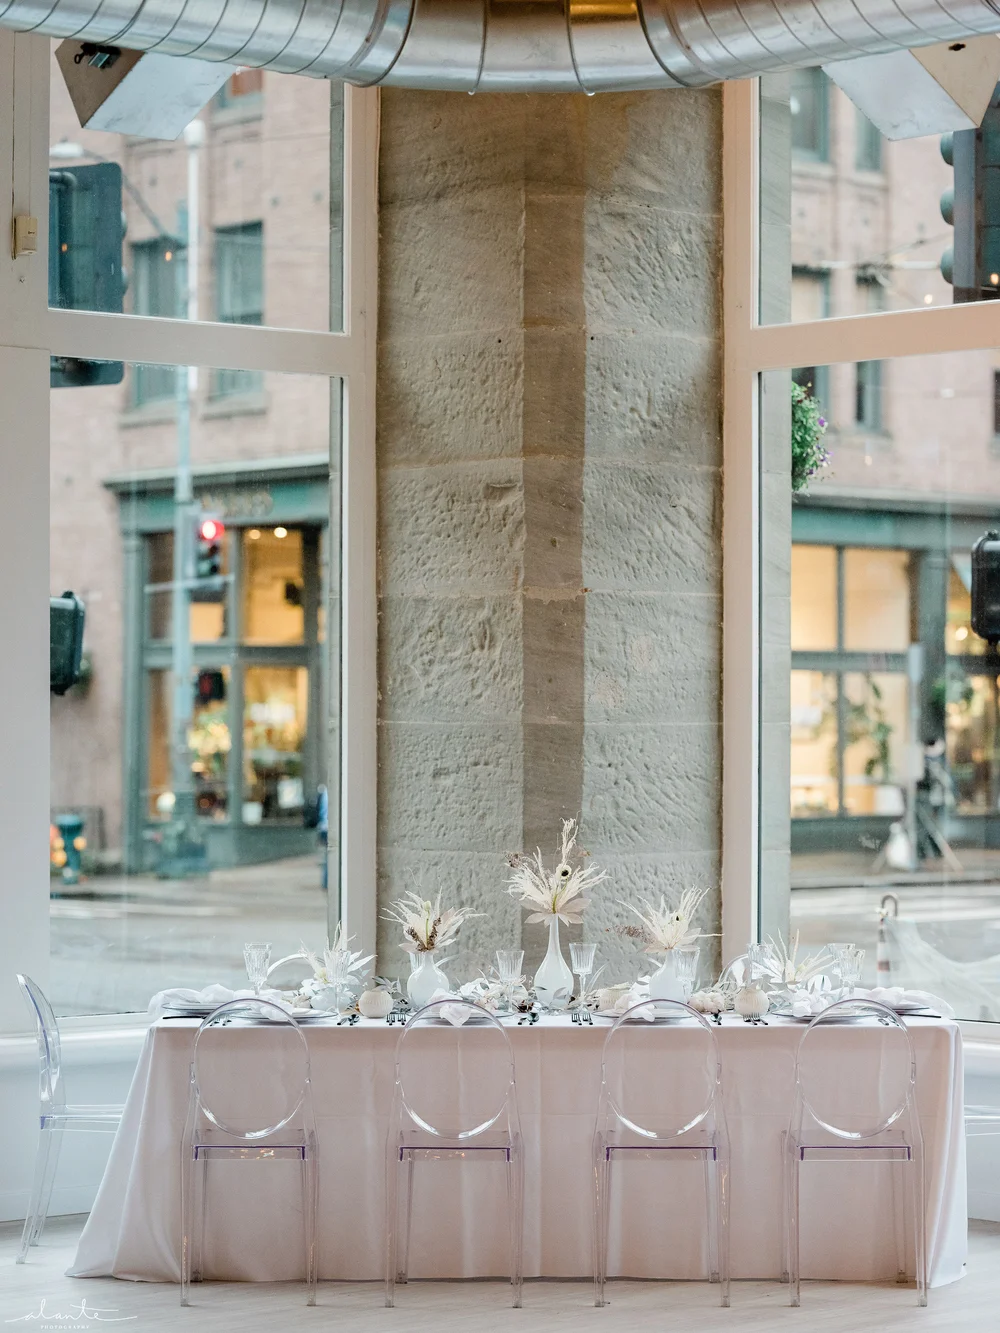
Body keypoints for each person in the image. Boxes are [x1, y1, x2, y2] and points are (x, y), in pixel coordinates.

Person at [317, 783, 329, 891]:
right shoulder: (329, 792)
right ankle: (326, 881)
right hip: (328, 827)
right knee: (329, 856)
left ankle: (326, 881)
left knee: (328, 855)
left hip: (324, 827)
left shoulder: (324, 791)